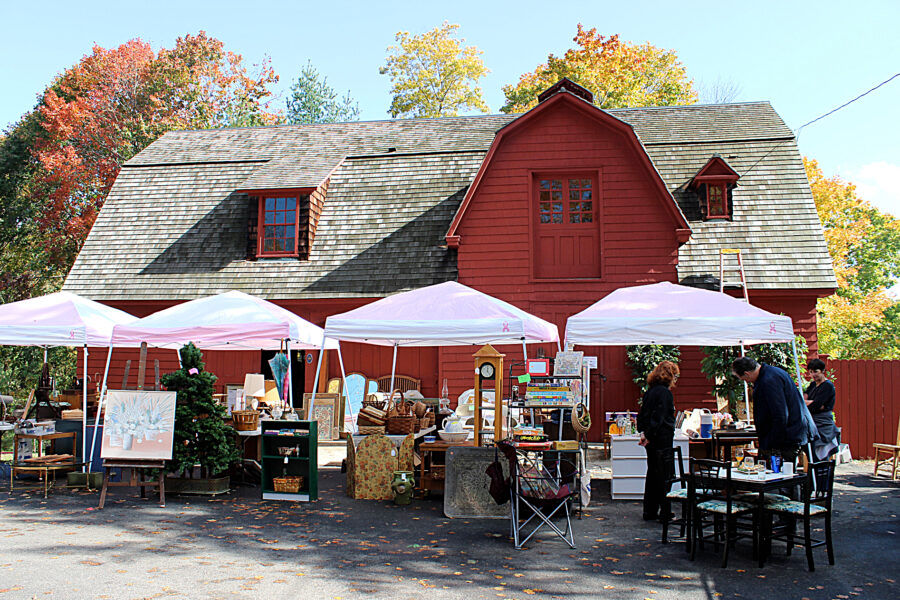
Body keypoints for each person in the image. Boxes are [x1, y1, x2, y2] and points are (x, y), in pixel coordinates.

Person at [732, 357, 816, 464]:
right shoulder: (773, 372)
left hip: (788, 435)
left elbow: (780, 414)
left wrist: (772, 445)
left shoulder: (768, 380)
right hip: (794, 430)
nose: (747, 382)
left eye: (744, 379)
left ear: (747, 373)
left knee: (781, 470)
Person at [637, 360, 679, 521]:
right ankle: (665, 512)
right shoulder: (665, 393)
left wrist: (644, 434)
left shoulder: (650, 392)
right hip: (662, 439)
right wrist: (649, 434)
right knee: (664, 476)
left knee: (652, 474)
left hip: (651, 440)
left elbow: (643, 415)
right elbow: (659, 417)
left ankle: (650, 511)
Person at [805, 358, 840, 460]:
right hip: (812, 423)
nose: (813, 375)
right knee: (811, 451)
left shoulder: (827, 386)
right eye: (811, 372)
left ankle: (823, 470)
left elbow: (816, 405)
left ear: (823, 371)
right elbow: (803, 399)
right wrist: (810, 402)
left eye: (816, 371)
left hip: (823, 424)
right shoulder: (812, 385)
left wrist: (811, 403)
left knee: (821, 451)